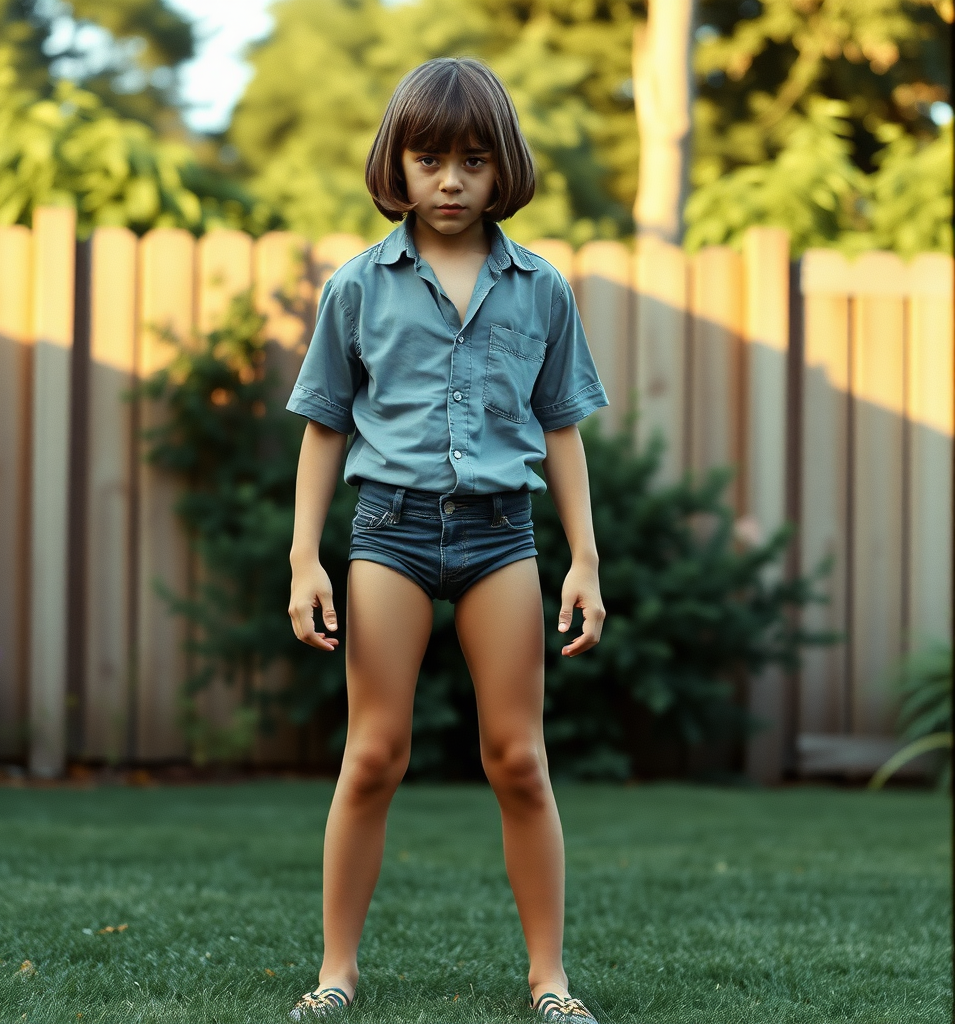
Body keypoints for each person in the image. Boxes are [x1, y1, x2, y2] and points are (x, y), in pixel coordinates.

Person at [285, 56, 609, 1024]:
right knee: (373, 752)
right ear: (399, 165)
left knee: (517, 758)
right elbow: (323, 425)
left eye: (473, 160)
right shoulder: (357, 287)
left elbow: (562, 429)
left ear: (502, 166)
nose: (452, 181)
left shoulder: (541, 289)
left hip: (499, 540)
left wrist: (584, 556)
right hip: (387, 533)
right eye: (430, 159)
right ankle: (336, 972)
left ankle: (548, 979)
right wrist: (306, 556)